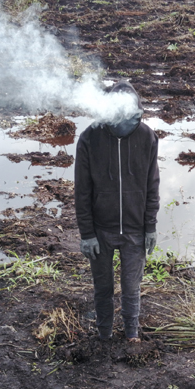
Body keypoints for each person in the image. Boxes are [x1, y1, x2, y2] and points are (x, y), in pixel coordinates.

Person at [74, 80, 160, 343]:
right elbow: (82, 191)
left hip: (134, 230)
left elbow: (152, 185)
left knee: (131, 289)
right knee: (103, 288)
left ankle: (132, 335)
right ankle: (104, 336)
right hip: (101, 231)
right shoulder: (90, 137)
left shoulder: (146, 137)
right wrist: (87, 233)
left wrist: (151, 226)